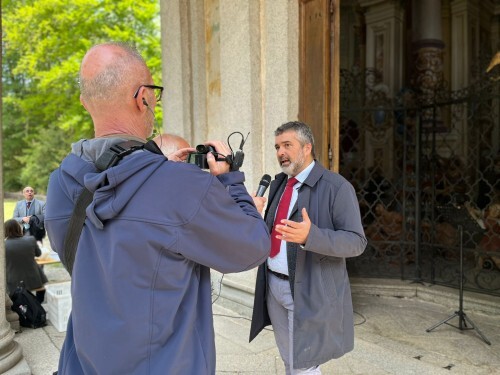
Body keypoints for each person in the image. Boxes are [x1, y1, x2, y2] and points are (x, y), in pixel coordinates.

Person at [44, 42, 270, 375]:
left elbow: (102, 259)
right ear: (143, 98)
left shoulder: (60, 185)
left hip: (82, 364)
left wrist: (159, 168)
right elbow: (252, 247)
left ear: (84, 103)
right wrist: (231, 183)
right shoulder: (184, 186)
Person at [249, 121, 367, 374]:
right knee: (289, 359)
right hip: (273, 286)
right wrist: (255, 216)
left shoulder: (337, 187)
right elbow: (274, 235)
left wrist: (311, 236)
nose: (280, 152)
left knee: (305, 364)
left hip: (308, 291)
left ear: (306, 147)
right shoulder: (280, 184)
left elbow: (356, 242)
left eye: (287, 145)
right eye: (277, 146)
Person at [153, 132, 268, 214]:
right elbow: (242, 235)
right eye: (187, 159)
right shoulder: (186, 205)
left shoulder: (145, 192)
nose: (194, 168)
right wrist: (250, 210)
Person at [4, 219, 48, 302]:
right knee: (41, 290)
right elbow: (38, 254)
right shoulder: (30, 240)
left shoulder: (3, 245)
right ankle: (37, 305)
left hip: (13, 283)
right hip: (34, 279)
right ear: (19, 228)